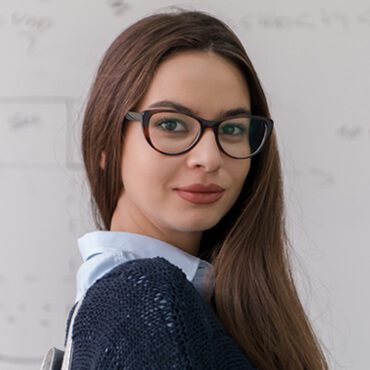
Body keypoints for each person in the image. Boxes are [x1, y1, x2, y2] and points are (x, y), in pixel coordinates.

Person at [42, 8, 328, 370]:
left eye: (233, 129)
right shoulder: (146, 299)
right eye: (172, 124)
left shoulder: (140, 298)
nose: (209, 158)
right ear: (106, 144)